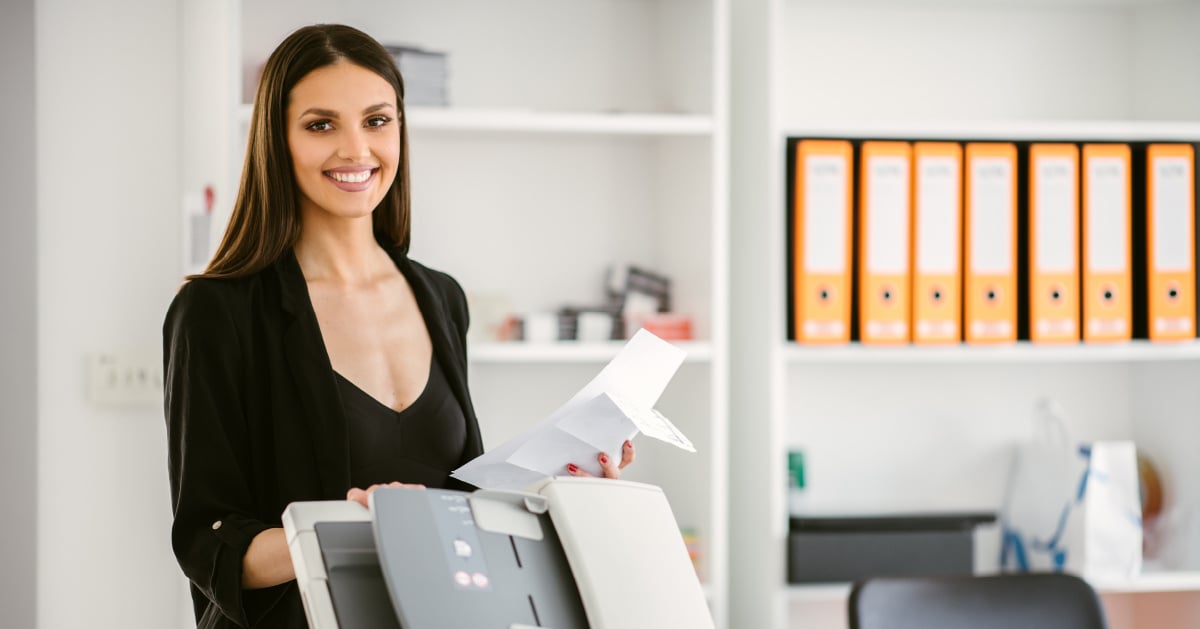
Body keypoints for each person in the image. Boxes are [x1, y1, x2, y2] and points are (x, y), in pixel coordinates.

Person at [163, 23, 634, 629]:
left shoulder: (441, 297)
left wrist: (562, 485)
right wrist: (355, 527)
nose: (356, 150)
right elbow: (209, 545)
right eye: (320, 124)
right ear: (276, 140)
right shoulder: (216, 312)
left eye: (377, 121)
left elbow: (458, 505)